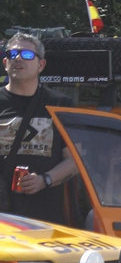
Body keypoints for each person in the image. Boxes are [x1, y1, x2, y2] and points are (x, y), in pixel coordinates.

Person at [0, 33, 79, 222]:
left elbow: (75, 160)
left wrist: (44, 180)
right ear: (5, 63)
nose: (18, 58)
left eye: (26, 55)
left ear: (41, 65)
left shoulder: (60, 104)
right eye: (12, 54)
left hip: (44, 218)